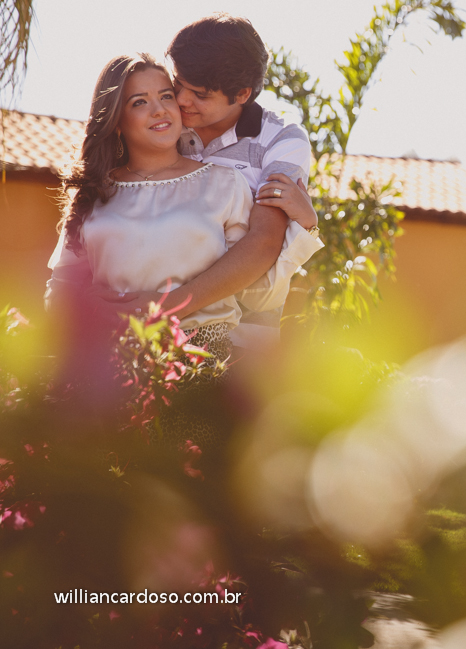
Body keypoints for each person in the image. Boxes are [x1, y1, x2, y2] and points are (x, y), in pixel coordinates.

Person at [46, 53, 300, 444]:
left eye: (166, 95)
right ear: (115, 120)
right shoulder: (93, 194)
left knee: (189, 489)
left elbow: (254, 283)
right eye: (139, 101)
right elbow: (61, 288)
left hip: (201, 364)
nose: (160, 110)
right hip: (108, 371)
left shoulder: (225, 184)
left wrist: (164, 307)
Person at [99, 13, 323, 350]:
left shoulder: (282, 141)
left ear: (242, 93)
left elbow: (262, 243)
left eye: (200, 94)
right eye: (178, 84)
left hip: (240, 332)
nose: (183, 100)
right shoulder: (166, 122)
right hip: (141, 328)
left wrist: (166, 307)